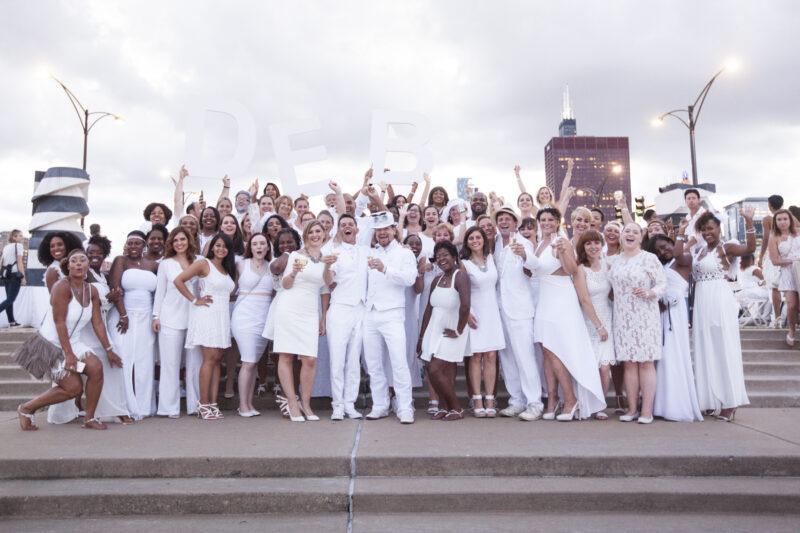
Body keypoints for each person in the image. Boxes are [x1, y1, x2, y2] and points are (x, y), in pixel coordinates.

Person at [17, 249, 122, 431]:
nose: (79, 263)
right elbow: (59, 322)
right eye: (74, 261)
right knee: (73, 388)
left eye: (83, 260)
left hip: (73, 341)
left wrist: (109, 349)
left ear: (88, 266)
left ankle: (89, 418)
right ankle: (27, 408)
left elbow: (97, 323)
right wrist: (69, 355)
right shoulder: (61, 287)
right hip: (51, 345)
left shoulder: (92, 291)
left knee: (96, 368)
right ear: (68, 266)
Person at [675, 208, 756, 421]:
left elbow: (749, 248)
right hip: (701, 300)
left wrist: (749, 222)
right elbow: (678, 257)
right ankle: (710, 400)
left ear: (719, 228)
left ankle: (729, 402)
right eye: (703, 229)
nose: (707, 232)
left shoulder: (726, 247)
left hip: (720, 299)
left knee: (723, 348)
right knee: (705, 348)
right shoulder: (699, 251)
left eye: (710, 228)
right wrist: (681, 233)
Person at [534, 208, 606, 421]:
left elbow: (572, 270)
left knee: (556, 350)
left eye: (551, 220)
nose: (546, 223)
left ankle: (571, 399)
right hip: (544, 297)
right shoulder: (540, 243)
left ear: (558, 222)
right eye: (543, 219)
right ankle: (553, 399)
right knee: (546, 349)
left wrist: (563, 252)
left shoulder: (561, 241)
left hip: (560, 296)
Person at [272, 221, 335, 422]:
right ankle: (292, 402)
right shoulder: (295, 256)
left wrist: (323, 317)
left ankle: (306, 404)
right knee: (287, 356)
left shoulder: (327, 258)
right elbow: (285, 284)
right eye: (311, 232)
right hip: (289, 307)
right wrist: (293, 272)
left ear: (324, 235)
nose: (315, 235)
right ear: (306, 235)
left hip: (310, 311)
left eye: (319, 231)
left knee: (309, 359)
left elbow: (326, 285)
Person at [607, 223, 667, 424]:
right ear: (622, 237)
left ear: (641, 238)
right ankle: (632, 408)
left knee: (646, 363)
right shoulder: (615, 261)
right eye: (627, 231)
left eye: (635, 232)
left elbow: (662, 284)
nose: (630, 234)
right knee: (629, 364)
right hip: (622, 317)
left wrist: (650, 293)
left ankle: (646, 411)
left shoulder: (648, 259)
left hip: (645, 315)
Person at [363, 211, 418, 424]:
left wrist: (385, 268)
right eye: (378, 229)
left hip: (393, 314)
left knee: (398, 362)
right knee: (374, 363)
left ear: (394, 230)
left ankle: (405, 407)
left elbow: (410, 279)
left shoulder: (404, 254)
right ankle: (380, 405)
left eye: (386, 228)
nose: (382, 233)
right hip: (371, 313)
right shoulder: (371, 251)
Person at [175, 233, 236, 420]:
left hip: (222, 316)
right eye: (217, 245)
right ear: (212, 247)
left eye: (224, 246)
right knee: (209, 359)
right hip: (207, 314)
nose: (221, 249)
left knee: (218, 358)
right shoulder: (204, 264)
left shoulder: (226, 268)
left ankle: (213, 402)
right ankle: (203, 404)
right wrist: (194, 300)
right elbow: (178, 280)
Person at [493, 205, 544, 421]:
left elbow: (535, 266)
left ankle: (535, 403)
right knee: (508, 358)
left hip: (520, 309)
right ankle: (516, 400)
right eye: (501, 219)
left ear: (515, 223)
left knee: (525, 357)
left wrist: (525, 256)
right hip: (500, 308)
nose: (504, 222)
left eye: (508, 219)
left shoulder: (523, 243)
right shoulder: (495, 243)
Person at [648, 235, 704, 422]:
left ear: (672, 243)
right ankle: (660, 404)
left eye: (665, 246)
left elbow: (679, 254)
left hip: (676, 311)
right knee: (662, 357)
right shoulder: (660, 265)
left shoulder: (684, 259)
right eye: (658, 250)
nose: (663, 252)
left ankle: (677, 405)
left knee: (674, 354)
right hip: (660, 312)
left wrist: (680, 234)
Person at [152, 227, 203, 418]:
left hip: (195, 316)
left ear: (189, 240)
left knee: (195, 363)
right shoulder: (165, 264)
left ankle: (194, 405)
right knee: (170, 364)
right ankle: (169, 407)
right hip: (170, 316)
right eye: (175, 240)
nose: (179, 243)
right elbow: (160, 291)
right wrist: (156, 316)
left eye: (182, 239)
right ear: (171, 244)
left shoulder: (198, 261)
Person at [108, 231, 159, 420]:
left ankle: (144, 407)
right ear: (126, 245)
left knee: (144, 361)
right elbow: (115, 289)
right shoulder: (120, 261)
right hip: (125, 315)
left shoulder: (153, 265)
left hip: (146, 316)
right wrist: (123, 315)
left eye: (138, 243)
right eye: (130, 243)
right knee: (125, 358)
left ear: (144, 245)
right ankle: (124, 406)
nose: (133, 247)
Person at [418, 241, 471, 420]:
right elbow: (428, 309)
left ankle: (457, 407)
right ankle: (446, 406)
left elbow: (465, 306)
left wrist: (459, 330)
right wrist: (421, 336)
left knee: (435, 369)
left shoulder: (461, 276)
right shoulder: (437, 279)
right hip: (434, 328)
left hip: (451, 330)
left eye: (445, 255)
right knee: (431, 369)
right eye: (438, 256)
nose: (442, 259)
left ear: (454, 256)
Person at [324, 214, 369, 420]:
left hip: (360, 309)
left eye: (350, 224)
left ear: (357, 229)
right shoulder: (333, 252)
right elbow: (327, 279)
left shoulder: (366, 251)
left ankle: (350, 403)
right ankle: (337, 405)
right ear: (338, 230)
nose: (347, 227)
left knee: (353, 360)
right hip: (340, 308)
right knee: (337, 359)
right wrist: (326, 267)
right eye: (343, 225)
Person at [460, 226, 504, 418]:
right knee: (476, 356)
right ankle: (477, 398)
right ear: (467, 243)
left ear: (484, 240)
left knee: (492, 355)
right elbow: (461, 290)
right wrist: (466, 312)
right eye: (471, 238)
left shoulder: (492, 258)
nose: (475, 241)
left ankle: (489, 398)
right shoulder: (464, 263)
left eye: (478, 237)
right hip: (475, 310)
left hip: (492, 310)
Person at [573, 231, 615, 420]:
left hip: (607, 315)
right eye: (588, 243)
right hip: (589, 320)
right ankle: (585, 403)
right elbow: (583, 298)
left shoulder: (608, 266)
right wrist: (599, 326)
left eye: (596, 243)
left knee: (605, 367)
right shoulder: (580, 269)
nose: (593, 247)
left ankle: (600, 404)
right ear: (583, 247)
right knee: (589, 365)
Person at [231, 233, 273, 417]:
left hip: (264, 316)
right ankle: (242, 405)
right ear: (250, 246)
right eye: (255, 243)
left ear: (268, 247)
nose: (259, 247)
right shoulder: (241, 264)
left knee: (254, 362)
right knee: (248, 361)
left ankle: (249, 403)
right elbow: (230, 286)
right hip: (244, 315)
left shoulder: (273, 266)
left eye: (262, 243)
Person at [767, 209, 800, 346]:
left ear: (790, 220)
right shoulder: (774, 236)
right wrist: (794, 260)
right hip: (788, 272)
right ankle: (792, 330)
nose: (782, 222)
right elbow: (775, 260)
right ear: (775, 222)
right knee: (792, 305)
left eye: (785, 219)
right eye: (779, 220)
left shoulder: (798, 232)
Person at [759, 195, 785, 327]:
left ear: (770, 205)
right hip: (785, 254)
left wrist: (760, 255)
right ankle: (780, 317)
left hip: (772, 254)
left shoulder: (768, 219)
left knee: (772, 286)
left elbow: (765, 238)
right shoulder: (789, 218)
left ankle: (776, 318)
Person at [1, 229, 25, 327]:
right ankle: (12, 321)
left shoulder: (6, 247)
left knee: (9, 299)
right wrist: (23, 277)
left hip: (6, 275)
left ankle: (12, 321)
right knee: (10, 299)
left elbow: (1, 262)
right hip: (15, 275)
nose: (22, 237)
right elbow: (19, 262)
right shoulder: (19, 246)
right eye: (19, 235)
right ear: (14, 237)